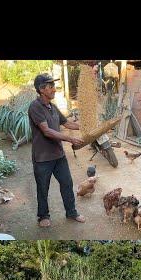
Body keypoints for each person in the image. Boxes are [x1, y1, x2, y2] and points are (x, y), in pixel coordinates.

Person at [28, 73, 86, 227]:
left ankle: (71, 212)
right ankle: (43, 216)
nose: (54, 89)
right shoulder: (35, 107)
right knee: (43, 188)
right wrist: (70, 139)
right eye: (51, 86)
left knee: (67, 183)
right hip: (42, 158)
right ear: (42, 89)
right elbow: (46, 131)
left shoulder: (52, 107)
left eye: (54, 86)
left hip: (58, 155)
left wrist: (87, 125)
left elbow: (67, 123)